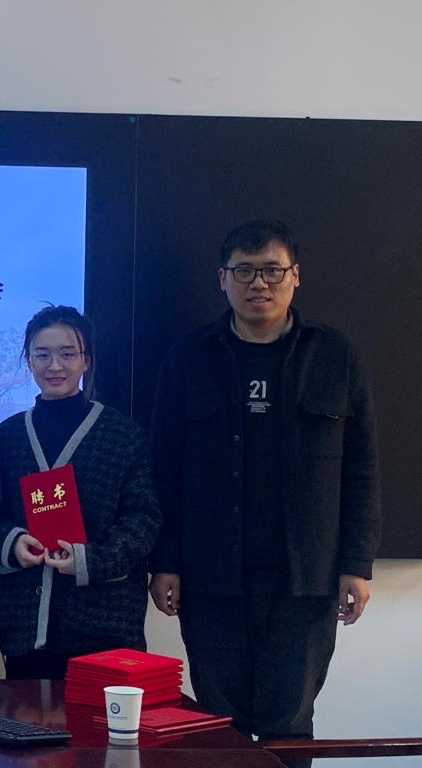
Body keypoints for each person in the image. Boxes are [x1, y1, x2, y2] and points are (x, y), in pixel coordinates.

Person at [149, 219, 381, 741]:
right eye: (245, 271)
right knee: (218, 723)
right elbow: (164, 469)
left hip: (306, 579)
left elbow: (362, 468)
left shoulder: (334, 356)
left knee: (289, 722)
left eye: (273, 271)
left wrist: (356, 564)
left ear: (295, 276)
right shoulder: (188, 358)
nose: (259, 283)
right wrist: (165, 561)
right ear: (222, 279)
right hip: (210, 577)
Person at [0, 306, 161, 679]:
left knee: (100, 719)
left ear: (86, 360)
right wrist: (12, 542)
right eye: (42, 355)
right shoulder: (4, 438)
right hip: (25, 627)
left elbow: (143, 520)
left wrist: (88, 560)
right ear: (28, 360)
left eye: (67, 354)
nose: (55, 366)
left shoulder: (122, 435)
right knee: (26, 715)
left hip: (104, 626)